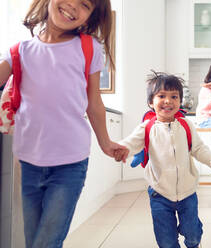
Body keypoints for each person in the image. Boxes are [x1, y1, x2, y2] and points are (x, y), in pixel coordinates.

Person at [0, 0, 128, 247]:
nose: (73, 6)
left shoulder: (89, 47)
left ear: (90, 17)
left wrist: (105, 142)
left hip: (70, 163)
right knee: (34, 240)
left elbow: (94, 101)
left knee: (46, 241)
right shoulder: (20, 50)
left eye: (85, 5)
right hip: (29, 162)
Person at [114, 71, 211, 248]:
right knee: (166, 241)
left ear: (179, 101)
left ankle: (194, 238)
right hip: (159, 193)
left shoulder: (186, 125)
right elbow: (131, 143)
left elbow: (198, 148)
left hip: (187, 192)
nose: (168, 101)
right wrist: (121, 149)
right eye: (161, 96)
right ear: (151, 102)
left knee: (193, 235)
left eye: (174, 96)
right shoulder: (147, 127)